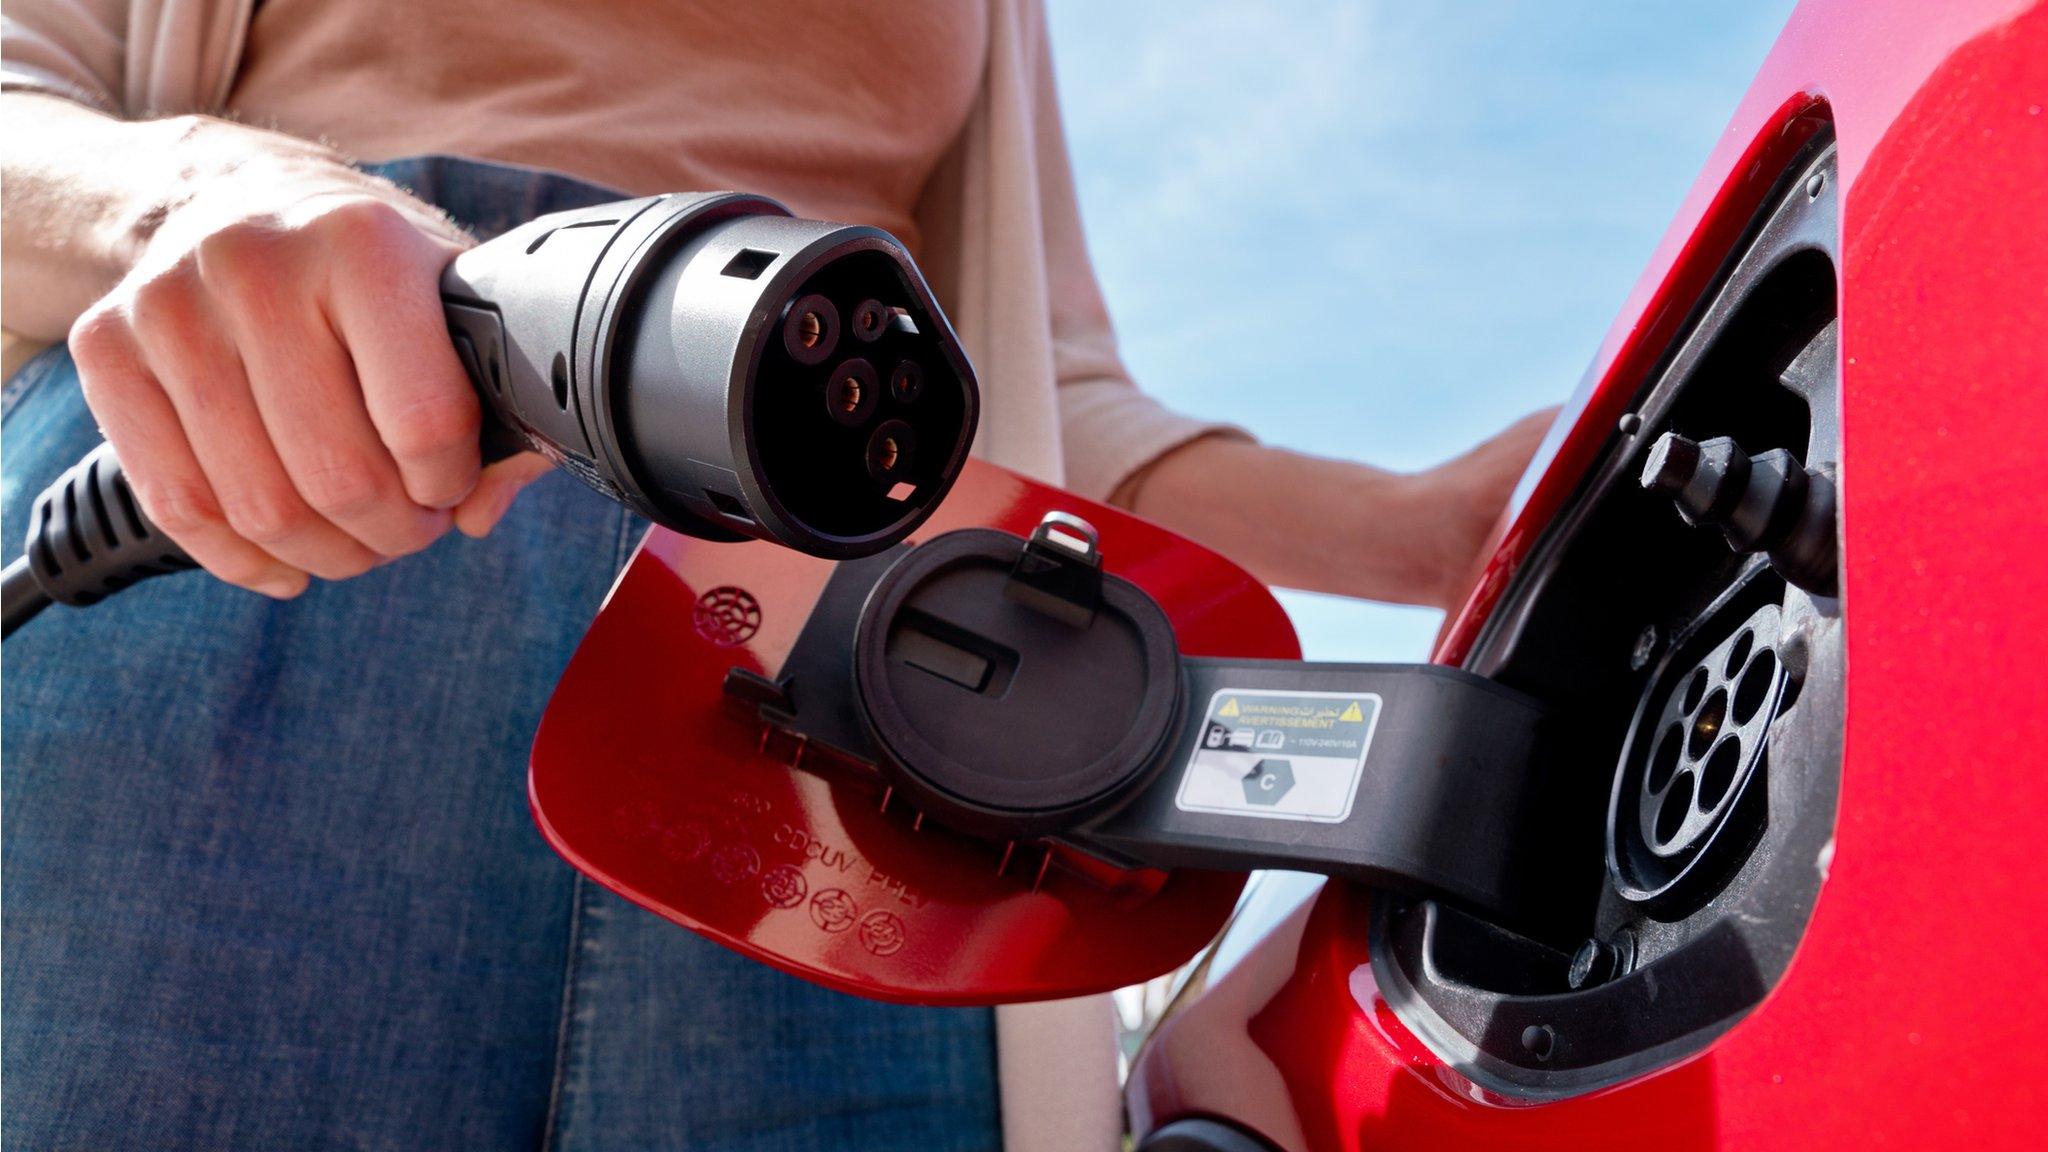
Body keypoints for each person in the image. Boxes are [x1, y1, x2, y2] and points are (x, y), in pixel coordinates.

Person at [0, 2, 1550, 1149]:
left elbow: (1045, 384)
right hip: (283, 491)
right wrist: (199, 200)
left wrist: (1411, 530)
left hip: (838, 672)